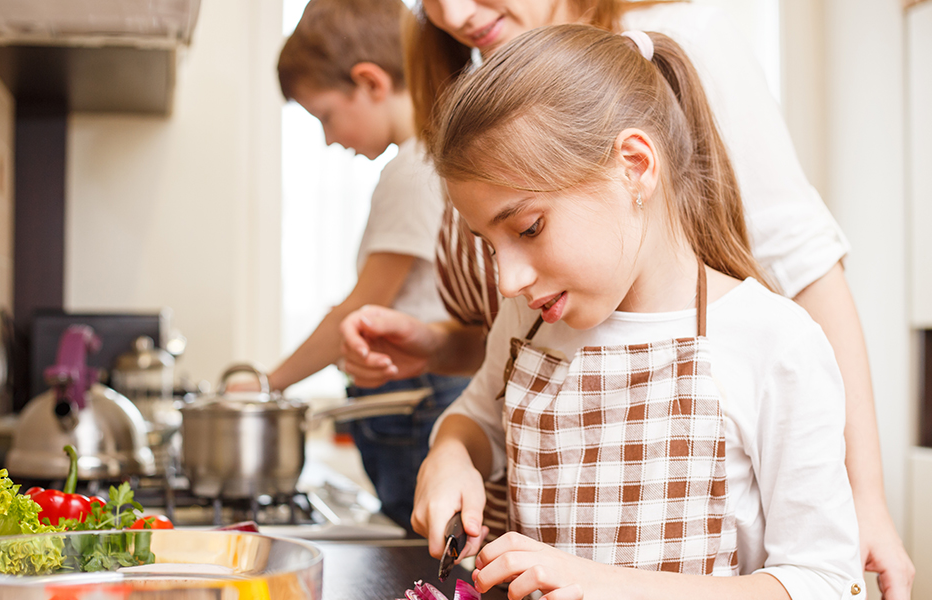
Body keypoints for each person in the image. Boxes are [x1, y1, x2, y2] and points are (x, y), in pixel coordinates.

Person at [339, 0, 914, 594]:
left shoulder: (775, 345)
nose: (507, 279)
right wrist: (452, 455)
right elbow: (476, 416)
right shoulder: (526, 322)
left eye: (529, 228)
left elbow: (821, 581)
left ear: (635, 166)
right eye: (489, 245)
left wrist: (603, 583)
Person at [272, 0, 468, 532]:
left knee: (417, 559)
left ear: (371, 82)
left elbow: (363, 307)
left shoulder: (414, 168)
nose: (330, 138)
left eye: (326, 116)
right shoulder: (430, 158)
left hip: (417, 400)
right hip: (414, 396)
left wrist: (271, 385)